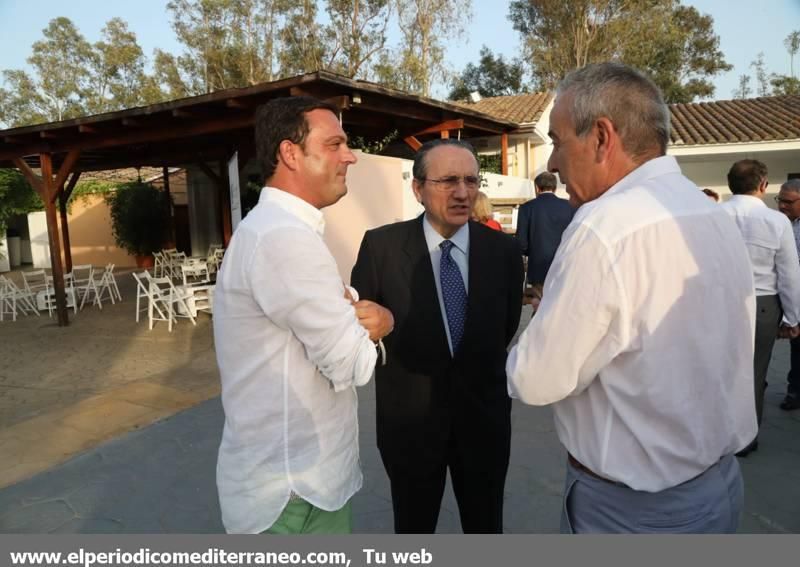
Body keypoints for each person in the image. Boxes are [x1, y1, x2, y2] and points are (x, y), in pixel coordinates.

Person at [506, 62, 757, 533]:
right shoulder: (711, 213)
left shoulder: (605, 227)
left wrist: (542, 329)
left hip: (633, 512)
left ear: (602, 137)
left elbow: (537, 379)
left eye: (558, 141)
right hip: (718, 487)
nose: (552, 164)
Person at [213, 96, 394, 534]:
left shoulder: (275, 229)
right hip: (295, 495)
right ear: (289, 153)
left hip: (298, 483)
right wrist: (380, 325)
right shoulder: (283, 237)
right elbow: (351, 364)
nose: (349, 156)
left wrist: (345, 310)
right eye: (334, 144)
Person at [351, 138, 524, 533]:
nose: (463, 193)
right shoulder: (381, 247)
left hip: (483, 422)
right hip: (409, 426)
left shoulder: (504, 252)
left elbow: (505, 327)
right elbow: (365, 331)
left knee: (485, 528)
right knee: (413, 530)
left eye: (470, 180)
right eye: (447, 181)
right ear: (418, 189)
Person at [721, 161, 800, 455]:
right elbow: (789, 273)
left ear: (730, 185)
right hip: (763, 304)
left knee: (722, 369)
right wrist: (793, 317)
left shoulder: (713, 215)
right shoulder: (777, 221)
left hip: (721, 302)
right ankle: (745, 437)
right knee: (755, 371)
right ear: (763, 184)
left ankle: (720, 432)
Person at [516, 171, 574, 307]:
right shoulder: (569, 206)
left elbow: (521, 243)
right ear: (554, 187)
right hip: (565, 265)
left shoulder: (527, 208)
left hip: (539, 267)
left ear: (537, 188)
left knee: (542, 307)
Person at [775, 178, 800, 411]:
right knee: (797, 345)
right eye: (779, 200)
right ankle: (795, 391)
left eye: (788, 201)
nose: (782, 205)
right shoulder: (780, 224)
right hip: (790, 294)